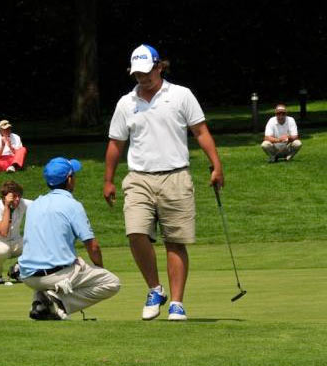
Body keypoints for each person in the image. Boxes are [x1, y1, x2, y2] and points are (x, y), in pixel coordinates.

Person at [103, 44, 224, 321]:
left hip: (176, 175)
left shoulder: (181, 95)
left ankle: (177, 303)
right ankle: (155, 289)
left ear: (160, 67)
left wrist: (216, 165)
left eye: (146, 72)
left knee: (175, 241)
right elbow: (115, 143)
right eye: (137, 74)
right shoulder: (126, 103)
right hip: (138, 178)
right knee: (135, 233)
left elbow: (200, 131)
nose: (142, 78)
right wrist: (108, 180)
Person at [18, 157, 120, 320]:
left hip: (27, 276)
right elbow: (92, 246)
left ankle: (40, 302)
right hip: (56, 275)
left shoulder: (35, 204)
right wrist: (100, 268)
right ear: (69, 179)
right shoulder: (73, 205)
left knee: (57, 262)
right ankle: (61, 303)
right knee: (112, 282)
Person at [0, 180, 33, 284]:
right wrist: (7, 207)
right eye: (14, 196)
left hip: (15, 243)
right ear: (4, 197)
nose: (18, 199)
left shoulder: (22, 202)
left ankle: (16, 270)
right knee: (2, 250)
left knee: (38, 244)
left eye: (19, 196)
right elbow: (3, 232)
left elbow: (41, 206)